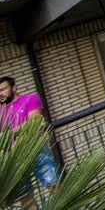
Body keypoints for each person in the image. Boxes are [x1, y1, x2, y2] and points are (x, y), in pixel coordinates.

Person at [0, 75, 61, 203]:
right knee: (26, 200)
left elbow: (35, 122)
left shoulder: (30, 98)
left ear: (14, 87)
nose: (0, 93)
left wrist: (7, 134)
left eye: (3, 89)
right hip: (13, 159)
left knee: (55, 189)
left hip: (36, 151)